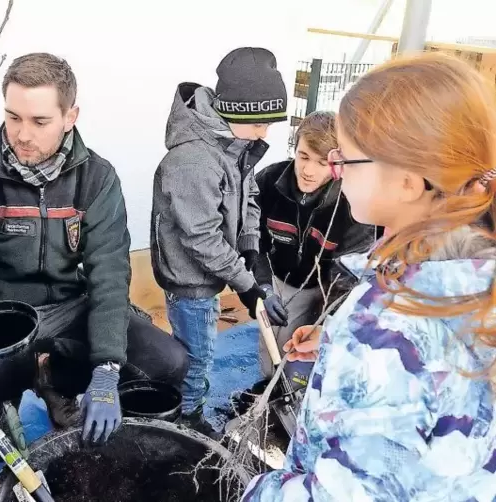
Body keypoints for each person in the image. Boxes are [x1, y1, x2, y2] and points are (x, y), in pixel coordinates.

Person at [242, 53, 496, 501]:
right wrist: (338, 337)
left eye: (347, 160)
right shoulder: (471, 274)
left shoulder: (388, 329)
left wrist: (259, 493)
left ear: (409, 181)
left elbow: (347, 493)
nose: (334, 170)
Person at [0, 52, 188, 453]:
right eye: (13, 117)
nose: (22, 134)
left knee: (167, 362)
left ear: (70, 116)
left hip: (69, 305)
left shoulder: (97, 179)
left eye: (39, 121)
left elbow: (108, 274)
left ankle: (57, 381)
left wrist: (105, 371)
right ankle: (4, 401)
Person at [151, 47, 288, 439]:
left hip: (213, 270)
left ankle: (188, 409)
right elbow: (201, 236)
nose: (265, 133)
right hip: (190, 277)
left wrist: (250, 248)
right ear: (237, 111)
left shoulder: (232, 142)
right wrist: (246, 283)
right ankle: (188, 422)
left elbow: (248, 195)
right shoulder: (193, 160)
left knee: (202, 348)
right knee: (197, 356)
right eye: (261, 123)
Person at [244, 110, 377, 380]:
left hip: (331, 287)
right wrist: (264, 287)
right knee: (273, 343)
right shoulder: (268, 182)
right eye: (303, 157)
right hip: (280, 278)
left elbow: (352, 274)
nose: (307, 170)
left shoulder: (353, 202)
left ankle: (298, 396)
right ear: (295, 147)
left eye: (320, 162)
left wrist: (329, 319)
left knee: (308, 356)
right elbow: (250, 240)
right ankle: (270, 390)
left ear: (337, 163)